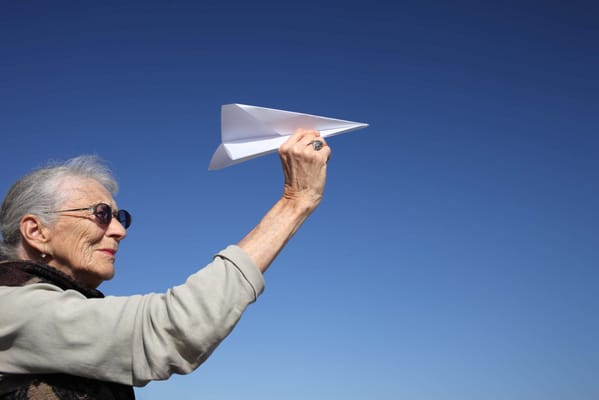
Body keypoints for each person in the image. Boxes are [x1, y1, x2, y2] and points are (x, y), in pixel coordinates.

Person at [0, 129, 330, 400]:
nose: (119, 231)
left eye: (121, 217)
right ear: (36, 231)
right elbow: (168, 330)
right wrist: (295, 202)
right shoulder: (9, 307)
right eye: (101, 214)